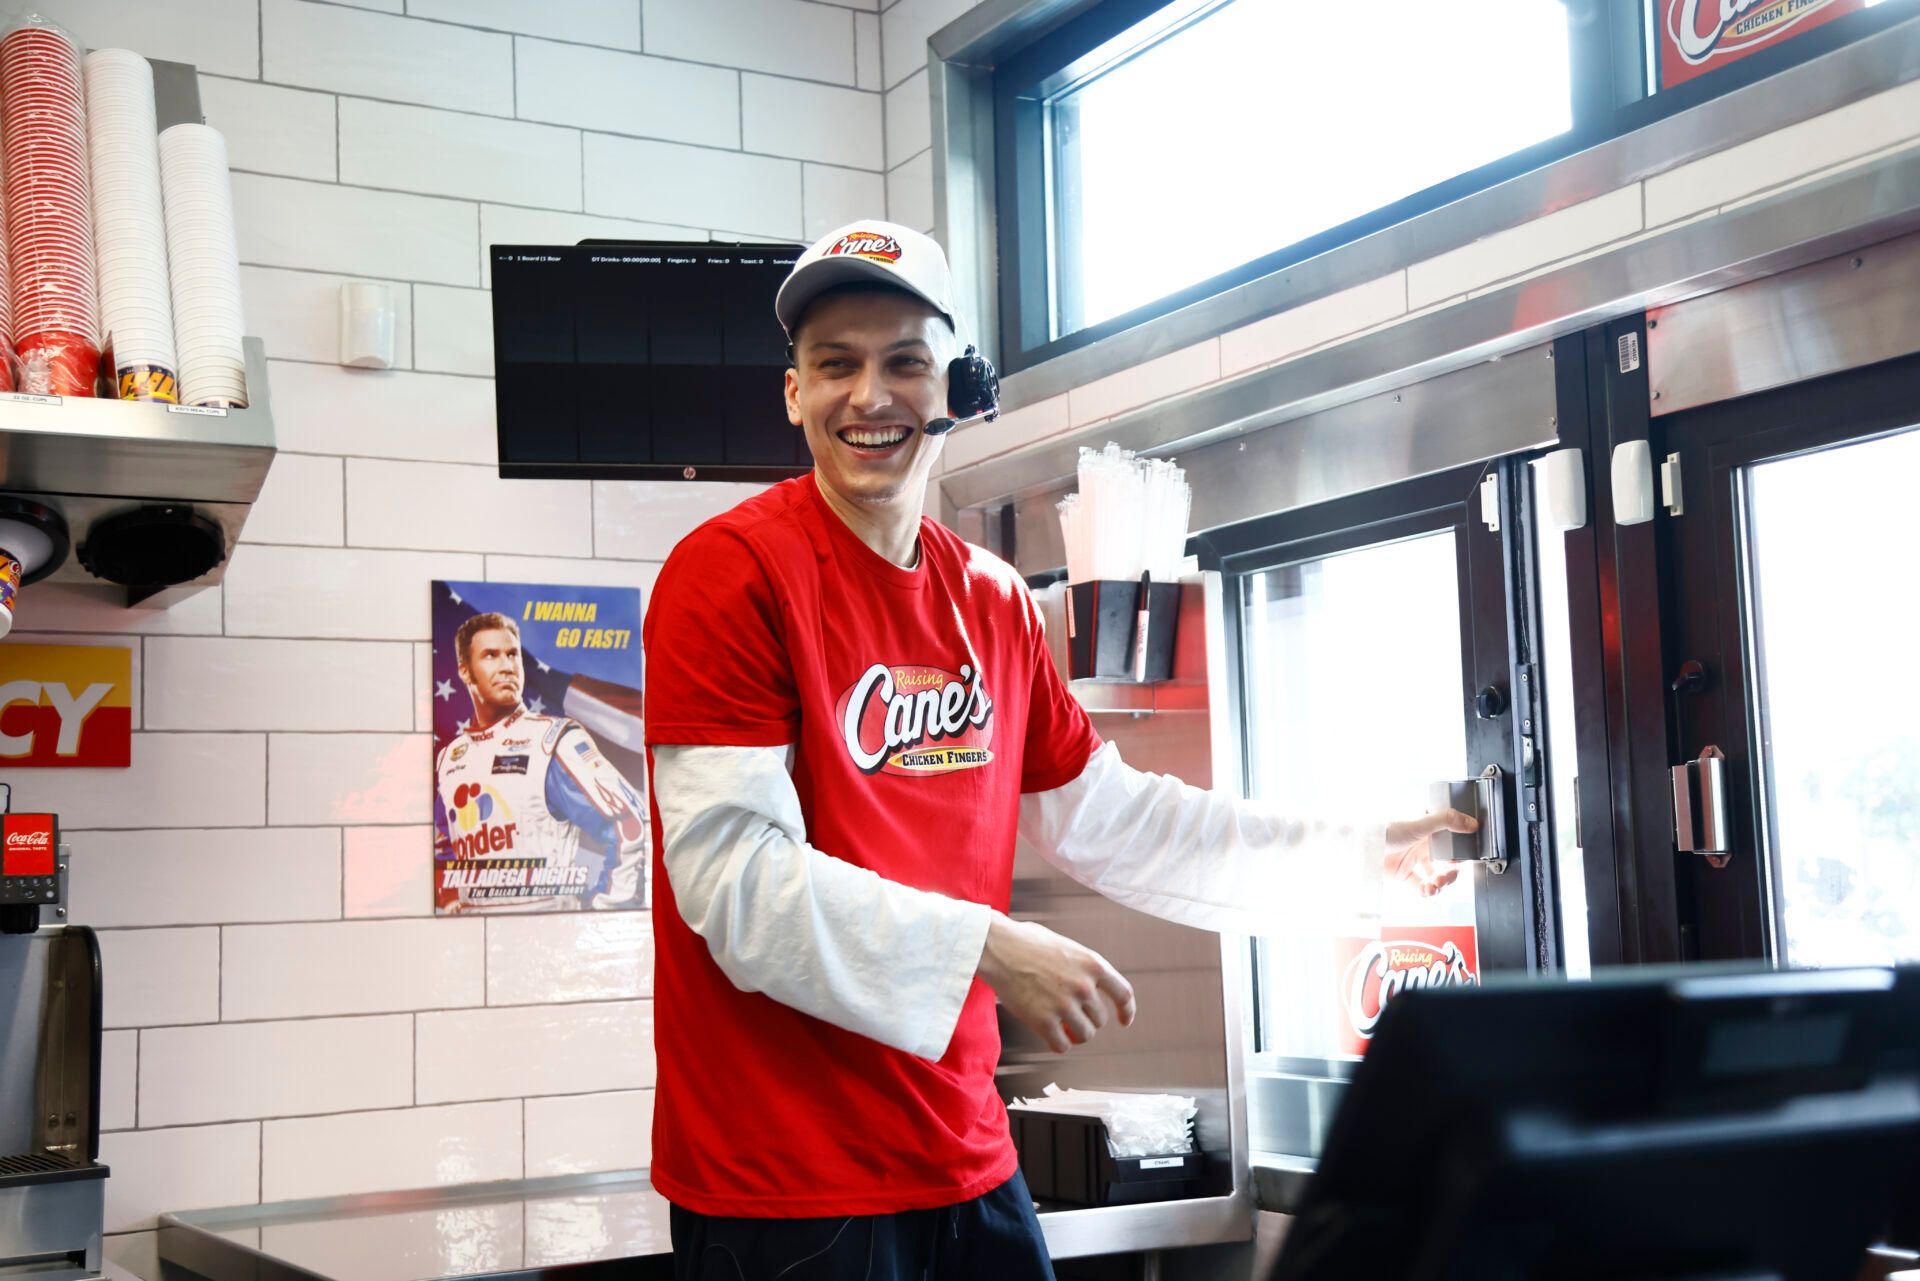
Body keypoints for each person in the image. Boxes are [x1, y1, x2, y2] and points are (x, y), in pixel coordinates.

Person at [642, 220, 1476, 1279]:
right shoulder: (732, 575)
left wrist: (1362, 852)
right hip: (787, 1184)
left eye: (905, 362)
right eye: (834, 365)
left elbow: (1116, 818)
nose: (870, 397)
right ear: (793, 394)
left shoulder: (990, 601)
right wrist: (986, 947)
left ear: (959, 387)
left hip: (966, 1156)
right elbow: (735, 882)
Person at [434, 611, 646, 912]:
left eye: (513, 655)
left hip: (547, 931)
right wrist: (450, 899)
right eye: (491, 656)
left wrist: (605, 908)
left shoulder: (553, 739)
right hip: (475, 939)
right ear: (465, 671)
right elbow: (444, 847)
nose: (507, 666)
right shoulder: (451, 758)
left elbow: (630, 826)